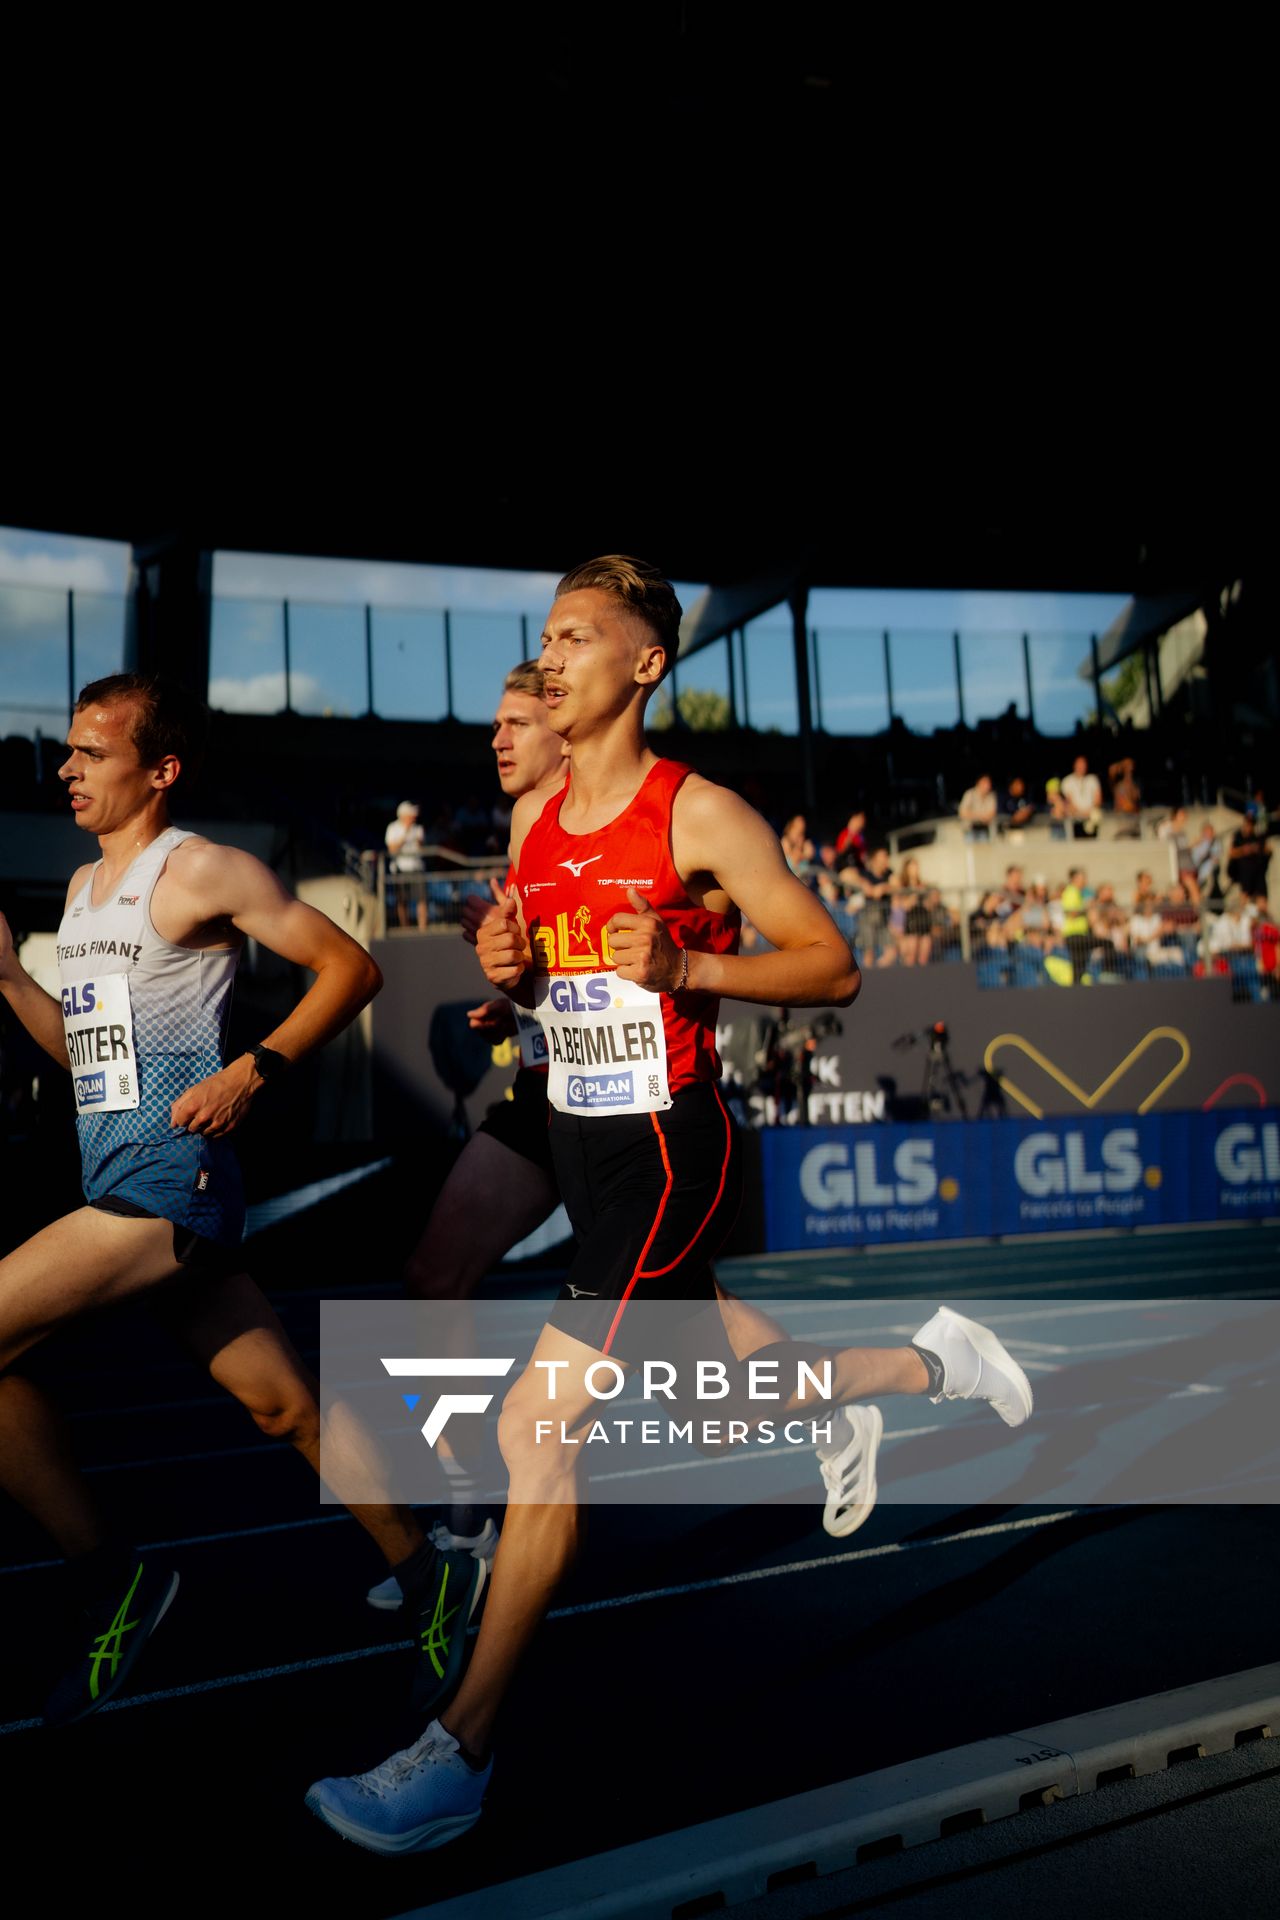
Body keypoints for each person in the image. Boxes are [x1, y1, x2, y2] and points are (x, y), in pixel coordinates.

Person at [305, 555, 1035, 1855]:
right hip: (574, 1131)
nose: (555, 654)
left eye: (580, 635)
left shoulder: (696, 815)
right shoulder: (533, 827)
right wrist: (510, 975)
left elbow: (835, 965)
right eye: (547, 634)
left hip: (662, 1150)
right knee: (724, 1376)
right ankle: (928, 1364)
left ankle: (457, 1752)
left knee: (541, 1433)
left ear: (643, 664)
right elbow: (547, 988)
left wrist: (694, 956)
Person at [0, 673, 444, 1726]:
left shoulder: (199, 868)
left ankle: (117, 1581)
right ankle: (434, 1575)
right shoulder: (77, 895)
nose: (66, 769)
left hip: (169, 1182)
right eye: (65, 752)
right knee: (282, 1405)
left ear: (159, 771)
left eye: (89, 754)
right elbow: (88, 1058)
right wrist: (12, 984)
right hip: (112, 1172)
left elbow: (348, 967)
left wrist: (256, 1068)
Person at [385, 798, 428, 930]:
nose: (413, 817)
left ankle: (422, 929)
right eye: (410, 814)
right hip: (400, 869)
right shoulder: (392, 828)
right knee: (402, 900)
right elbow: (391, 849)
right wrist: (405, 835)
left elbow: (422, 847)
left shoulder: (418, 829)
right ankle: (405, 928)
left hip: (417, 868)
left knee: (422, 899)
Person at [1061, 756, 1102, 838]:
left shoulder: (1092, 779)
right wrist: (1081, 813)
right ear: (1074, 765)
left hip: (1091, 818)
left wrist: (1089, 812)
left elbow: (1098, 799)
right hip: (1075, 819)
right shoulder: (1067, 781)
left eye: (1084, 765)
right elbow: (1069, 802)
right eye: (1079, 764)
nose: (1082, 767)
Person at [957, 773, 997, 840]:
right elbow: (962, 812)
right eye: (985, 782)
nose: (987, 785)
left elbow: (992, 813)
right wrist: (980, 816)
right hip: (970, 829)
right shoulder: (970, 794)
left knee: (986, 848)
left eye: (989, 783)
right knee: (970, 848)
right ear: (978, 782)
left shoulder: (991, 796)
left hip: (985, 829)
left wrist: (975, 814)